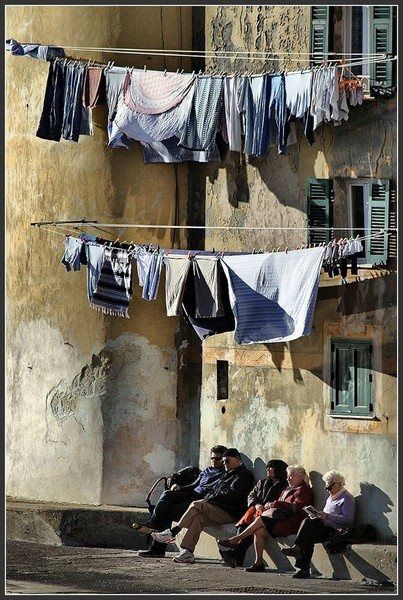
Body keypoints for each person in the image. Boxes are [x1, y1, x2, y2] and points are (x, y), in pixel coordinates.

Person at [151, 448, 255, 564]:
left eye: (228, 461)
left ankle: (173, 532)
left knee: (196, 504)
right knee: (197, 519)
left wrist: (210, 498)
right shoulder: (226, 474)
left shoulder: (243, 475)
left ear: (238, 460)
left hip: (230, 512)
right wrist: (211, 496)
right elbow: (213, 491)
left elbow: (232, 495)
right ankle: (187, 552)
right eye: (224, 461)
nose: (225, 464)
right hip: (218, 510)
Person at [134, 445, 227, 558]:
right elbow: (194, 485)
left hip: (200, 502)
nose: (214, 461)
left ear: (223, 459)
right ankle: (153, 521)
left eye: (217, 459)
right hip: (190, 495)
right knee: (168, 494)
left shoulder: (224, 474)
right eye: (212, 458)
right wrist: (179, 488)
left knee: (168, 512)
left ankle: (157, 548)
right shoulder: (207, 470)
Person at [218, 464, 314, 572]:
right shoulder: (287, 488)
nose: (288, 478)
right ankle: (258, 562)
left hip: (291, 522)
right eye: (288, 476)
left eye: (290, 476)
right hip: (280, 519)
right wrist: (271, 505)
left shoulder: (303, 490)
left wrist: (275, 504)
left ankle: (235, 539)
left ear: (300, 476)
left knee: (260, 520)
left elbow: (298, 507)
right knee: (259, 531)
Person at [281, 470, 355, 578]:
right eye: (326, 488)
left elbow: (348, 520)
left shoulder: (347, 498)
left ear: (337, 484)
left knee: (308, 529)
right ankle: (303, 568)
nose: (328, 491)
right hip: (325, 526)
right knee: (308, 528)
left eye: (329, 487)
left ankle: (298, 552)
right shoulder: (331, 498)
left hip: (335, 530)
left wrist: (327, 516)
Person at [220, 459, 289, 568]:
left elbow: (282, 503)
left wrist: (267, 507)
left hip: (270, 516)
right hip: (257, 512)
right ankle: (236, 555)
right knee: (247, 523)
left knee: (255, 527)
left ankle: (235, 550)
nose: (268, 470)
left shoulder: (285, 486)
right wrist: (257, 505)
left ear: (279, 470)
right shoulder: (262, 482)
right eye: (267, 467)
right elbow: (251, 496)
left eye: (271, 468)